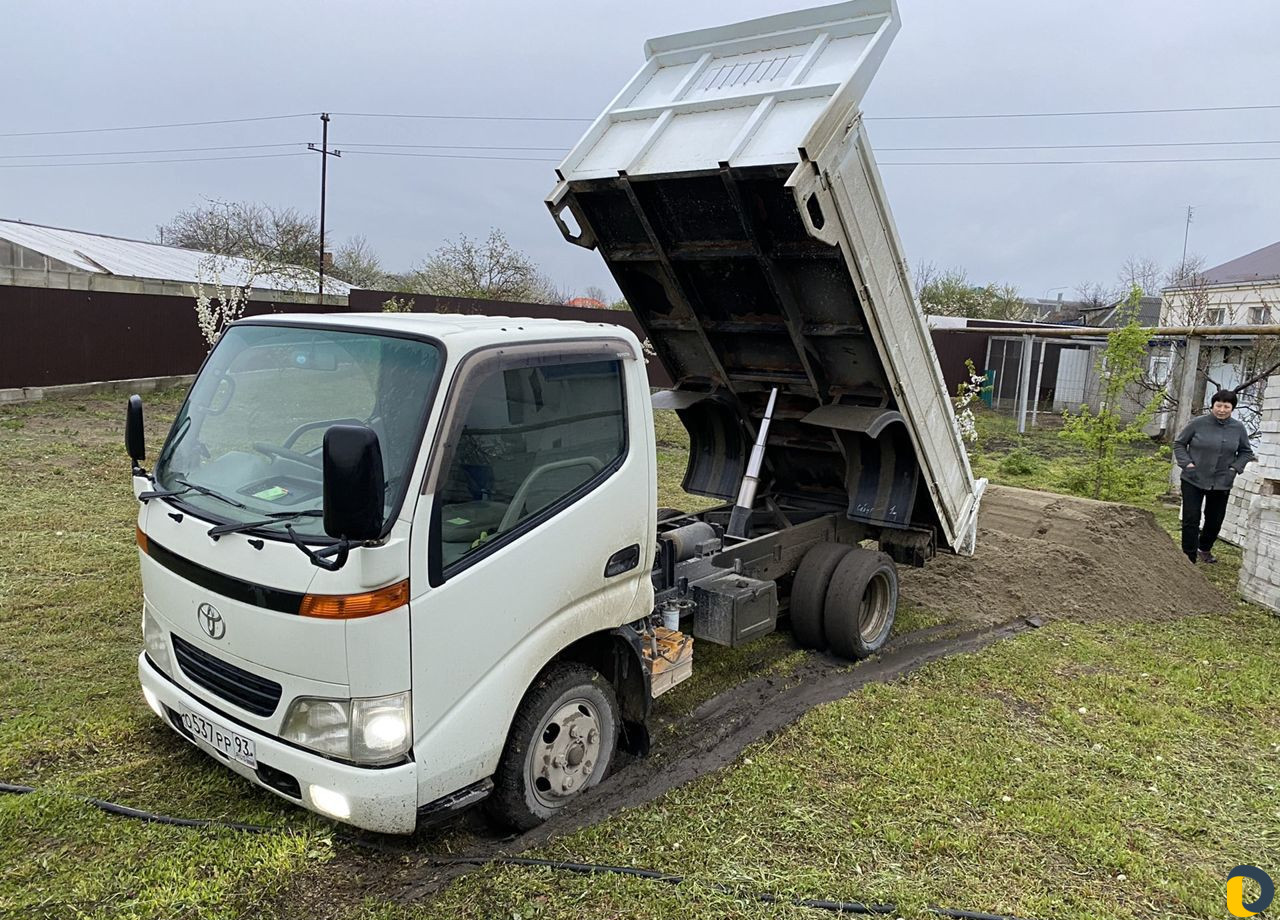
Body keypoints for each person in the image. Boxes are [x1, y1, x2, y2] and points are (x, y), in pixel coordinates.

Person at [1172, 389, 1257, 564]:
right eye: (1218, 405)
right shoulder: (1197, 424)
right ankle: (1188, 558)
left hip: (1221, 481)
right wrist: (1187, 464)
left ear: (1232, 408)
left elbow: (1246, 452)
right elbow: (1179, 444)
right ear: (1212, 406)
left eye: (1227, 406)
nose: (1222, 410)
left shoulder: (1238, 428)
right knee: (1191, 518)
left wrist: (1234, 469)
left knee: (1214, 520)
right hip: (1193, 478)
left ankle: (1204, 548)